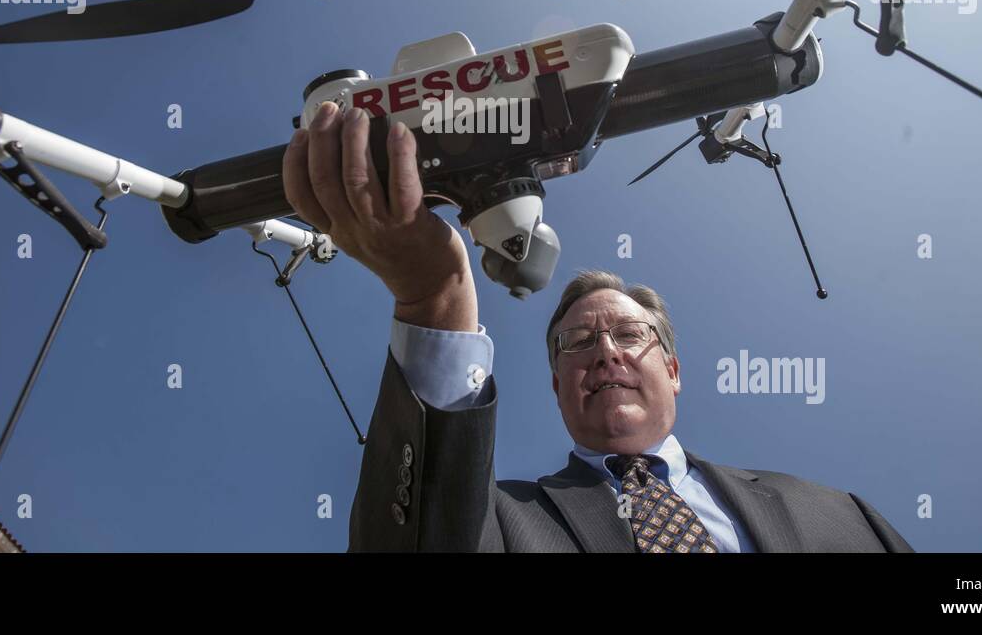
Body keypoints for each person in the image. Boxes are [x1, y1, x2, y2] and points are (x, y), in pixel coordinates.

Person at [283, 101, 913, 552]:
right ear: (558, 386)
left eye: (630, 335)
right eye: (577, 343)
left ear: (673, 368)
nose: (605, 352)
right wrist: (433, 296)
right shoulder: (500, 523)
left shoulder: (839, 516)